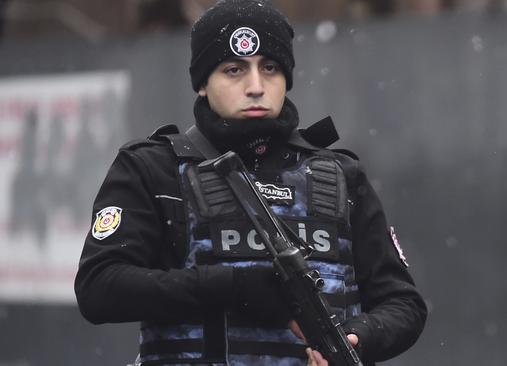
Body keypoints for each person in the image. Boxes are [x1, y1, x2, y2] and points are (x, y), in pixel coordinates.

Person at [74, 1, 427, 365]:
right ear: (202, 85)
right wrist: (231, 287)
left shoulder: (340, 175)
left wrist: (355, 339)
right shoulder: (154, 168)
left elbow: (403, 304)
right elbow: (99, 288)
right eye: (234, 70)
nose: (256, 86)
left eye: (270, 68)